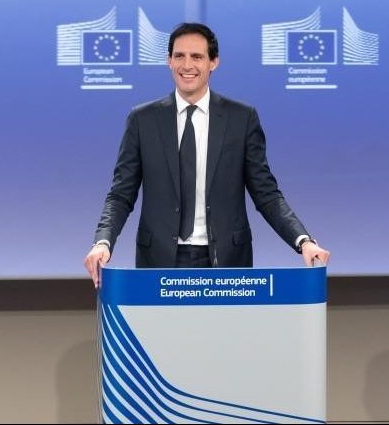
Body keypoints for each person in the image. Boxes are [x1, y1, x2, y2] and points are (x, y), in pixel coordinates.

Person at [84, 22, 330, 287]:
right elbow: (121, 194)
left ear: (214, 62)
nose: (187, 65)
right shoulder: (142, 120)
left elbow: (266, 193)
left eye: (197, 56)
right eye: (179, 56)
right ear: (169, 61)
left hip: (226, 260)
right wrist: (102, 242)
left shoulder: (241, 118)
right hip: (159, 260)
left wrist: (303, 241)